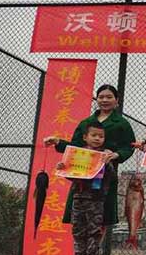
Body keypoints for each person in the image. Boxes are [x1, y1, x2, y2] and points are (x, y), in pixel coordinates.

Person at [45, 84, 136, 242]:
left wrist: (116, 155)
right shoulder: (86, 122)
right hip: (82, 175)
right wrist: (58, 142)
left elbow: (129, 146)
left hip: (105, 175)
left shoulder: (122, 123)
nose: (105, 100)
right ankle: (80, 252)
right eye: (101, 97)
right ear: (96, 99)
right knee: (79, 212)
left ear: (117, 101)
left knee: (101, 213)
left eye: (109, 97)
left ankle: (94, 251)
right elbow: (75, 147)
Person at [57, 122, 114, 255]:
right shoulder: (77, 155)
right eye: (93, 135)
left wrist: (107, 164)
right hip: (78, 196)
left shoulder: (104, 155)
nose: (97, 138)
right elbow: (71, 176)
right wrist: (63, 168)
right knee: (78, 226)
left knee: (94, 227)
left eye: (100, 136)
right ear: (85, 137)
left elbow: (112, 177)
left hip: (96, 198)